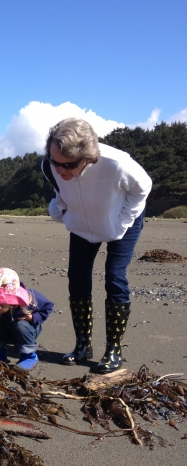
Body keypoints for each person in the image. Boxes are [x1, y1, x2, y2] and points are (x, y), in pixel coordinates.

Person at [41, 117, 152, 373]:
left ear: (88, 156)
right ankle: (83, 344)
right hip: (82, 225)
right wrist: (62, 210)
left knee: (114, 276)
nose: (60, 169)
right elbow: (61, 191)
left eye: (68, 164)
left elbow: (143, 188)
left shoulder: (117, 164)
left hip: (121, 220)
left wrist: (121, 223)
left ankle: (114, 349)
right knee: (77, 276)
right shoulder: (50, 166)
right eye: (55, 161)